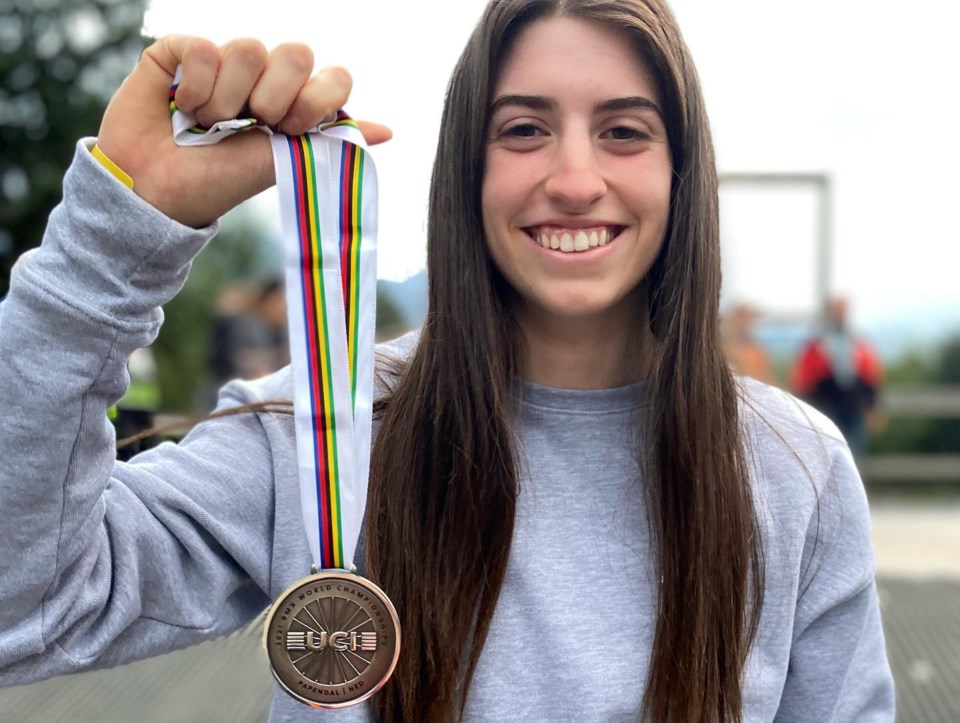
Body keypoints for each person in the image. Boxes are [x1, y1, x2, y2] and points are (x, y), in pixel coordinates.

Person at [0, 1, 895, 721]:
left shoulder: (792, 468)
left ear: (682, 173)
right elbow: (24, 609)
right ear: (466, 170)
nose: (576, 177)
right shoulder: (322, 431)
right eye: (523, 131)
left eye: (625, 131)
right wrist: (117, 236)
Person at [792, 296, 885, 458]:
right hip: (826, 405)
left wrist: (872, 405)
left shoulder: (857, 341)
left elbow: (869, 375)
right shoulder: (817, 343)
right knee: (826, 452)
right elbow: (805, 378)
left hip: (853, 405)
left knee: (853, 453)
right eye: (837, 310)